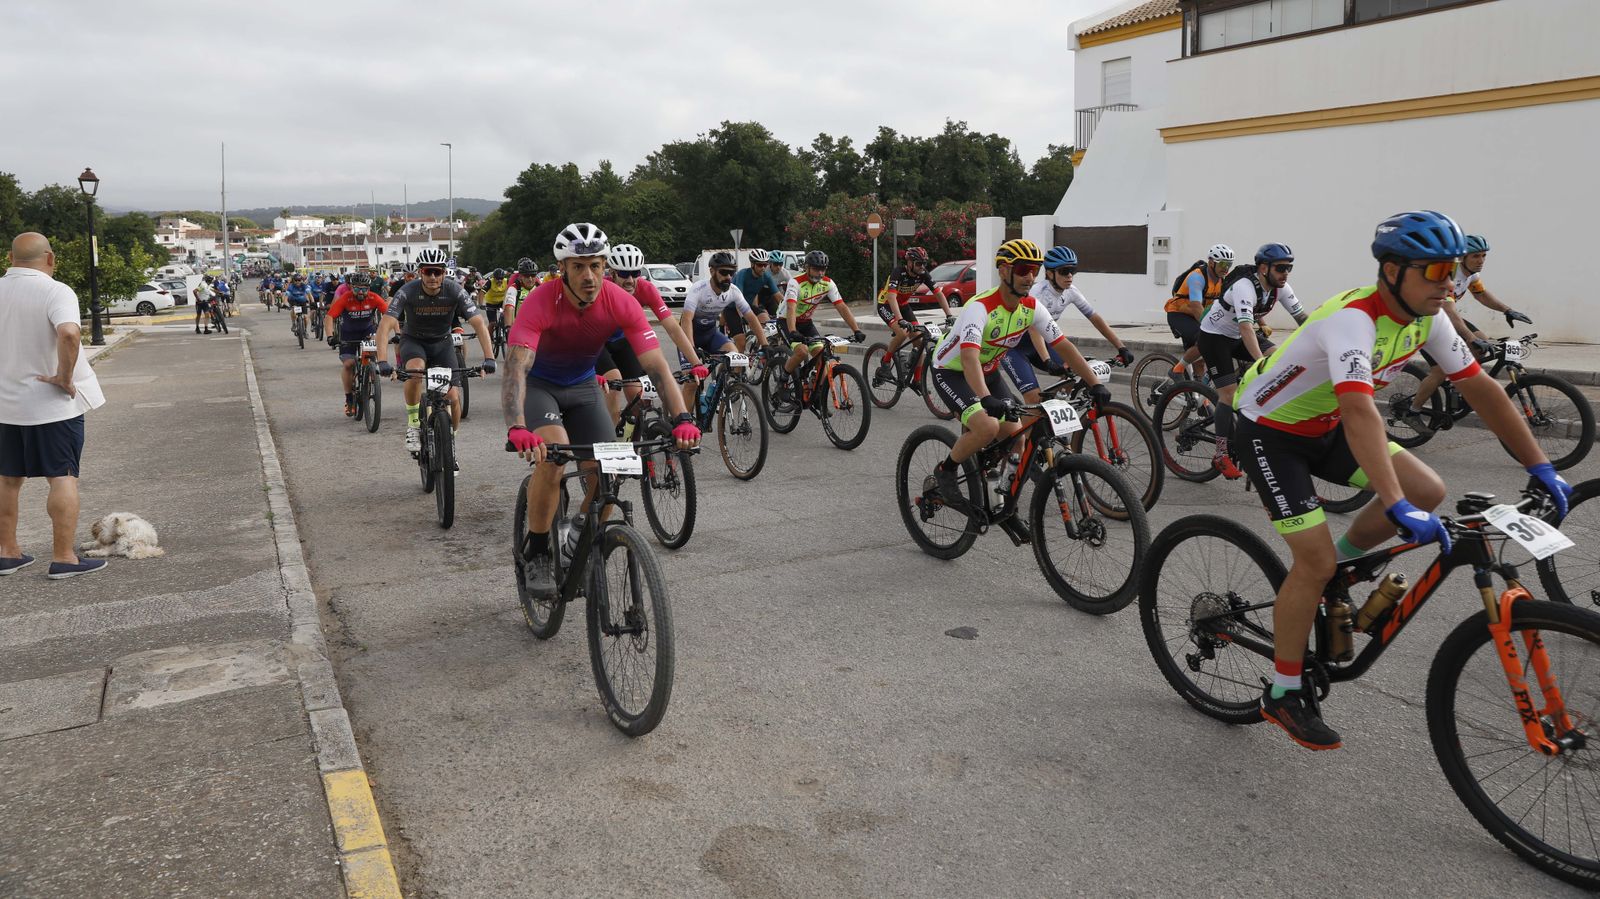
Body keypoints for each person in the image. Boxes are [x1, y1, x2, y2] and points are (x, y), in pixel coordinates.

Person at [1230, 211, 1572, 751]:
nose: (1447, 282)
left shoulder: (1429, 317)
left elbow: (1483, 390)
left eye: (1453, 270)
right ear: (1392, 271)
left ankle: (1337, 570)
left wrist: (1542, 467)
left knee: (1428, 490)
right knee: (1313, 561)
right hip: (1270, 432)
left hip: (1326, 424)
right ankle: (1284, 690)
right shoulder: (1353, 321)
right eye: (1435, 270)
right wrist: (1391, 503)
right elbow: (1362, 411)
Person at [500, 223, 701, 599]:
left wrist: (682, 419)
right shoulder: (541, 301)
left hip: (583, 388)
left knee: (609, 471)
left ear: (604, 266)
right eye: (578, 267)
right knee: (554, 457)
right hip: (541, 388)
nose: (589, 275)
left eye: (595, 265)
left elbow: (655, 365)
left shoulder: (619, 300)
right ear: (563, 269)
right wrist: (517, 426)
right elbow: (516, 367)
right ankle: (539, 549)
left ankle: (579, 530)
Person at [927, 239, 1109, 502]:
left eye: (1035, 269)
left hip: (987, 370)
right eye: (1023, 269)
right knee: (988, 426)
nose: (1030, 276)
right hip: (952, 370)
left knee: (1018, 435)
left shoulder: (1031, 307)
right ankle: (946, 471)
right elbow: (968, 357)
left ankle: (1005, 494)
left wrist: (1095, 384)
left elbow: (1064, 345)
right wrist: (985, 398)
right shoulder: (980, 307)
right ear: (1003, 271)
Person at [0, 233, 109, 578]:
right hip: (51, 406)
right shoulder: (55, 290)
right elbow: (69, 334)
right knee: (62, 477)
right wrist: (64, 377)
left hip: (5, 406)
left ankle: (7, 553)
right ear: (50, 258)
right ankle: (64, 557)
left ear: (9, 257)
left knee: (6, 480)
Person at [1401, 233, 1535, 431]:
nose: (1481, 261)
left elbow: (1481, 294)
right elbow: (1449, 309)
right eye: (1476, 256)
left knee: (1484, 344)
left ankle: (1458, 385)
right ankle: (1412, 411)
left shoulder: (1471, 273)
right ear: (1463, 257)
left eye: (1483, 256)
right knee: (1439, 370)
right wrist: (1470, 338)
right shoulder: (1448, 274)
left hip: (1444, 317)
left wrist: (1508, 310)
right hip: (1425, 321)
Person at [1196, 243, 1307, 478]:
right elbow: (1247, 328)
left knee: (1280, 360)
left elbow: (1302, 319)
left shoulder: (1281, 287)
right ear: (1264, 268)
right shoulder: (1244, 287)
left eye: (1289, 267)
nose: (1285, 273)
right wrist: (1260, 364)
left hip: (1236, 335)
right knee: (1228, 395)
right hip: (1214, 337)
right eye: (1281, 268)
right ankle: (1220, 454)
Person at [374, 247, 495, 455]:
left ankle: (451, 444)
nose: (432, 276)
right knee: (415, 371)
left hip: (442, 344)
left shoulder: (455, 290)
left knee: (454, 397)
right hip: (414, 341)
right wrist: (383, 361)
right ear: (421, 272)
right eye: (428, 271)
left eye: (437, 272)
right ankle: (413, 424)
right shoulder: (407, 291)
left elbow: (479, 324)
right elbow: (385, 326)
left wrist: (490, 358)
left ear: (444, 273)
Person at [1000, 245, 1135, 399]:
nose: (1069, 276)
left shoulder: (1071, 291)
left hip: (1041, 343)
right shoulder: (1037, 293)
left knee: (1073, 373)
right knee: (1033, 399)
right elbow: (1034, 329)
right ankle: (1038, 410)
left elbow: (1095, 318)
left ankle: (1051, 410)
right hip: (1014, 348)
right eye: (1064, 271)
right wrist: (1047, 360)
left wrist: (1121, 347)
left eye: (1072, 271)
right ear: (1050, 274)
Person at [602, 243, 707, 426]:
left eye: (635, 273)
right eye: (624, 274)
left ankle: (637, 440)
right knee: (613, 382)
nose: (630, 280)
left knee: (638, 397)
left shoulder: (646, 289)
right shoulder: (602, 288)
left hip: (622, 341)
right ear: (612, 273)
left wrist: (695, 362)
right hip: (598, 344)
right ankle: (608, 442)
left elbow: (673, 328)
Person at [677, 251, 766, 413]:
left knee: (734, 356)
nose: (728, 277)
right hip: (688, 335)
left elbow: (752, 318)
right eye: (723, 272)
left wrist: (765, 345)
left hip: (710, 334)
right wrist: (691, 349)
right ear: (712, 271)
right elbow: (686, 320)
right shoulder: (699, 289)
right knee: (691, 382)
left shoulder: (733, 291)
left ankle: (715, 388)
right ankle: (685, 421)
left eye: (731, 273)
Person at [774, 250, 865, 398]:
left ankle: (817, 395)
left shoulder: (828, 283)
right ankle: (783, 378)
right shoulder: (795, 282)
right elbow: (791, 308)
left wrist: (856, 330)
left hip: (806, 322)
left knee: (822, 356)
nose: (820, 273)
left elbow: (842, 307)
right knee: (802, 351)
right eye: (816, 269)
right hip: (786, 321)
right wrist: (792, 331)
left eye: (823, 269)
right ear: (807, 267)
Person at [1157, 244, 1234, 392]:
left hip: (1196, 317)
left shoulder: (1222, 281)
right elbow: (1196, 306)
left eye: (1229, 264)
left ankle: (1198, 394)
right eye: (1223, 264)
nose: (1226, 268)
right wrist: (1211, 328)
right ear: (1212, 262)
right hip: (1179, 314)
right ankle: (1177, 370)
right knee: (1204, 339)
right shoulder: (1197, 277)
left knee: (1201, 359)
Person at [873, 246, 953, 385]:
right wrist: (900, 320)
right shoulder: (899, 272)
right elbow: (891, 297)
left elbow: (938, 293)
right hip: (886, 304)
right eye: (918, 263)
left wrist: (949, 315)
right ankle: (886, 363)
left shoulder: (923, 274)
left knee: (919, 341)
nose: (922, 267)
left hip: (903, 305)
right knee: (902, 333)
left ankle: (916, 380)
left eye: (924, 263)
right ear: (909, 263)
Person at [325, 273, 389, 416]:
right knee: (349, 364)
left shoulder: (374, 298)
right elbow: (330, 317)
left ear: (369, 288)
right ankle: (349, 398)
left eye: (364, 289)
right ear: (351, 288)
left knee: (373, 347)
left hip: (367, 330)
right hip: (348, 333)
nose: (361, 292)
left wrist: (397, 333)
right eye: (357, 289)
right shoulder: (345, 298)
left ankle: (371, 372)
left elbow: (390, 315)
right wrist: (330, 336)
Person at [727, 249, 779, 354]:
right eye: (760, 265)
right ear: (752, 264)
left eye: (765, 265)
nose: (763, 268)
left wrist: (790, 310)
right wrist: (743, 317)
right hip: (732, 308)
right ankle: (737, 370)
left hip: (748, 306)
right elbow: (738, 299)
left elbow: (778, 296)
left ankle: (755, 349)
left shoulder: (766, 276)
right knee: (741, 342)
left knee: (766, 321)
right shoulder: (742, 274)